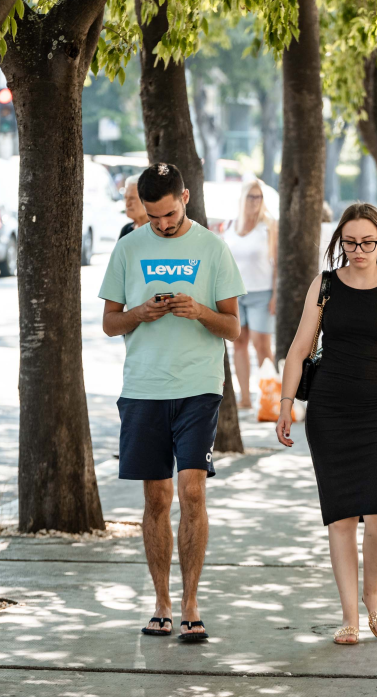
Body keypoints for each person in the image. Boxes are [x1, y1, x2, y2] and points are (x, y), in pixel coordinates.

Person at [100, 163, 246, 641]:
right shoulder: (129, 247)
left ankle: (190, 602)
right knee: (157, 499)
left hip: (198, 387)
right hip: (144, 388)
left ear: (185, 197)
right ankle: (161, 600)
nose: (162, 224)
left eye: (168, 213)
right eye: (153, 215)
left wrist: (198, 311)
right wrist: (141, 312)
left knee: (193, 492)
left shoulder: (211, 247)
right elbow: (110, 322)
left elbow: (232, 327)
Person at [275, 203, 377, 646]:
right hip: (329, 411)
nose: (357, 251)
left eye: (367, 242)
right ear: (339, 241)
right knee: (340, 517)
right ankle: (349, 617)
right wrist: (285, 404)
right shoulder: (325, 286)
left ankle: (372, 592)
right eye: (349, 242)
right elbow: (300, 349)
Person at [222, 178, 278, 408]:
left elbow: (277, 264)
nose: (255, 201)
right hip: (236, 294)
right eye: (251, 196)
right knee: (239, 344)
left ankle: (267, 397)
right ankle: (245, 398)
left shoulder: (269, 225)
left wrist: (275, 295)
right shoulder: (230, 225)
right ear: (242, 199)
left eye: (259, 196)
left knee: (261, 345)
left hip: (262, 293)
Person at [118, 176, 149, 240]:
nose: (127, 204)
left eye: (132, 198)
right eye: (126, 198)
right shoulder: (126, 230)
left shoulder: (159, 234)